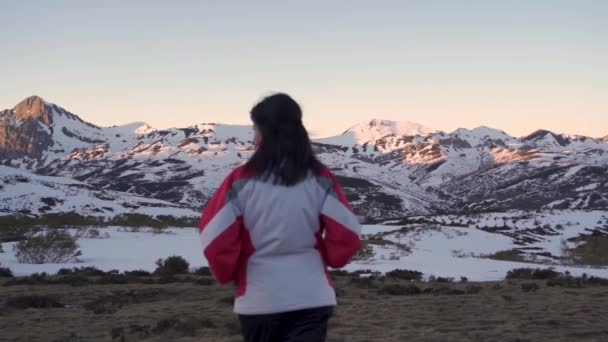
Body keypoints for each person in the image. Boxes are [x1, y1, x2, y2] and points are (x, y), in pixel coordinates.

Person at [198, 93, 361, 342]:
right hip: (312, 295)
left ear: (264, 132)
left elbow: (215, 236)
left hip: (259, 298)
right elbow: (347, 233)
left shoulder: (239, 180)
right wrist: (330, 259)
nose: (253, 138)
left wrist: (227, 272)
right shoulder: (321, 178)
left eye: (255, 130)